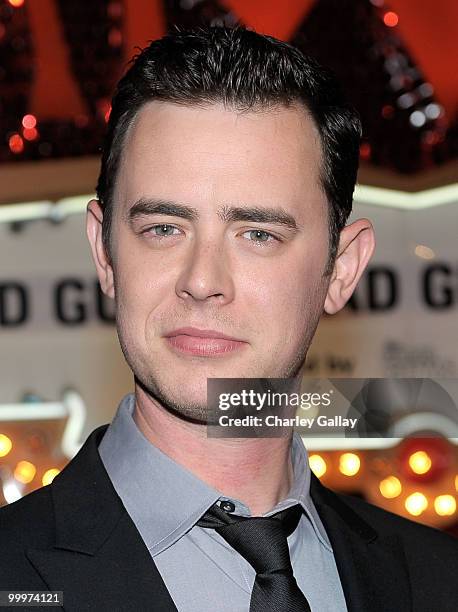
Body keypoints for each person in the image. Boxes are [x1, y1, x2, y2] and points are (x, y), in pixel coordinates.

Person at [1, 25, 456, 612]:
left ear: (341, 270)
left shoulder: (438, 582)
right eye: (164, 229)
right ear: (104, 251)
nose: (203, 281)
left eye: (258, 234)